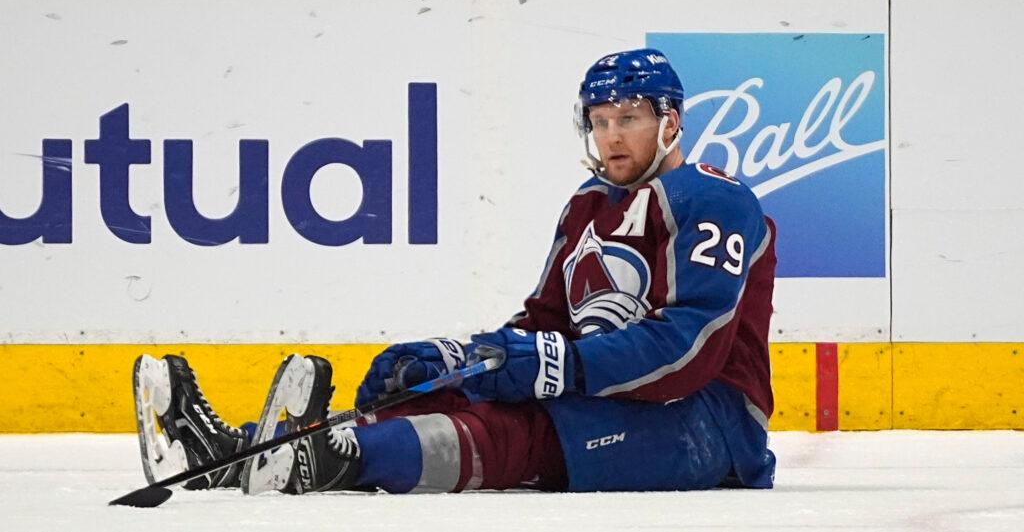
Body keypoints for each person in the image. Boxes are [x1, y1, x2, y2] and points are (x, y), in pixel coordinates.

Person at [132, 47, 778, 496]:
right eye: (601, 120)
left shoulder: (714, 199)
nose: (612, 137)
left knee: (525, 429)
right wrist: (469, 356)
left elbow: (687, 348)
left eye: (629, 119)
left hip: (709, 421)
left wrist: (551, 367)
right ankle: (230, 451)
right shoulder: (587, 205)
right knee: (454, 394)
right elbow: (547, 323)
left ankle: (331, 460)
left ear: (670, 122)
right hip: (612, 391)